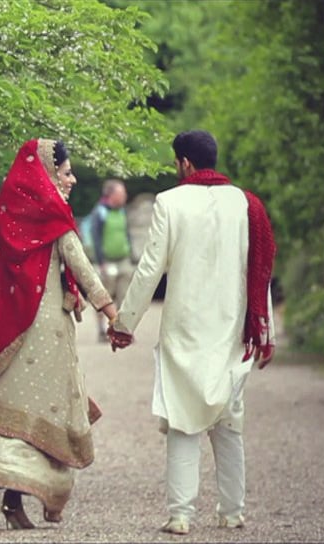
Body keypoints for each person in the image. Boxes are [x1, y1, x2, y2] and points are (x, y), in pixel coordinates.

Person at [107, 130, 276, 535]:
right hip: (233, 328)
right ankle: (232, 511)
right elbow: (260, 271)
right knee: (229, 422)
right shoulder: (246, 203)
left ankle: (181, 515)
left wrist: (125, 323)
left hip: (185, 328)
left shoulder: (170, 202)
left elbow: (150, 268)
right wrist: (264, 329)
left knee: (183, 421)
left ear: (184, 162)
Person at [0, 139, 116, 530]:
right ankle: (47, 498)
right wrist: (110, 311)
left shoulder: (6, 217)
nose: (72, 180)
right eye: (67, 172)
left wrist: (10, 284)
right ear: (47, 173)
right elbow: (81, 264)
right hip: (46, 335)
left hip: (10, 337)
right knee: (51, 410)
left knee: (19, 415)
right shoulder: (54, 216)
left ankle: (17, 500)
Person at [84, 179, 134, 341]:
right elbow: (96, 238)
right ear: (112, 195)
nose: (125, 196)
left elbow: (126, 233)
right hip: (106, 262)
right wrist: (101, 261)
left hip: (123, 260)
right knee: (104, 298)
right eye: (122, 193)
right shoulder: (100, 212)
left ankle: (121, 331)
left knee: (125, 297)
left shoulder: (122, 211)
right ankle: (101, 331)